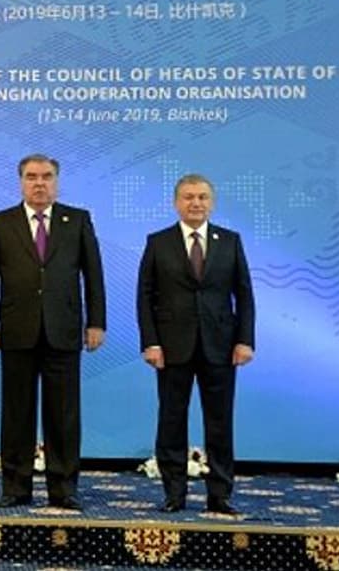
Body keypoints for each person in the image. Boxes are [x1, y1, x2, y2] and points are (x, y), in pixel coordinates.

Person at [0, 153, 104, 510]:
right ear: (21, 182)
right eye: (32, 177)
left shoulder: (77, 220)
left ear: (56, 182)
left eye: (46, 176)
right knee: (17, 413)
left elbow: (93, 274)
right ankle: (15, 487)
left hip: (64, 330)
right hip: (16, 331)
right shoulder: (0, 222)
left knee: (63, 415)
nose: (39, 183)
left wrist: (96, 322)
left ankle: (64, 489)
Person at [137, 174, 254, 515]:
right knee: (171, 421)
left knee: (220, 423)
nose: (196, 203)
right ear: (176, 203)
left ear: (211, 203)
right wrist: (151, 342)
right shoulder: (158, 242)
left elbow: (244, 294)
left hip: (221, 347)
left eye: (202, 197)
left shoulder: (230, 241)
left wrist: (245, 340)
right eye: (188, 197)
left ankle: (220, 496)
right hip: (172, 348)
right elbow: (145, 296)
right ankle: (174, 494)